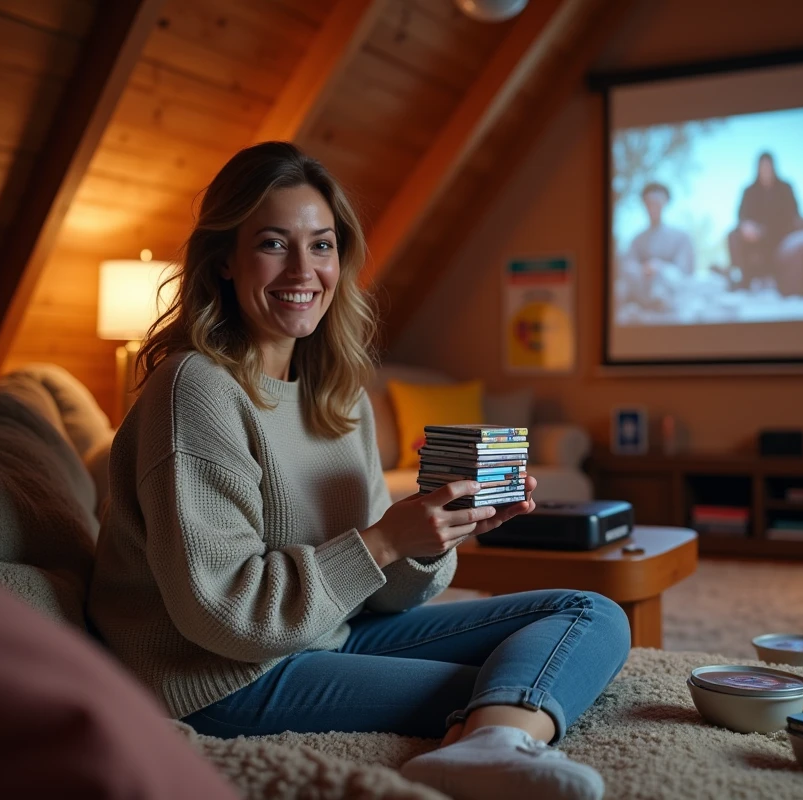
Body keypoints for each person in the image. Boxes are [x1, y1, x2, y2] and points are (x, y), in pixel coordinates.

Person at [87, 141, 631, 800]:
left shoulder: (340, 397)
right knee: (513, 686)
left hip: (328, 634)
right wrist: (381, 541)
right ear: (224, 260)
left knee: (590, 615)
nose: (303, 270)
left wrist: (429, 538)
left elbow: (383, 595)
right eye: (273, 244)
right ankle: (493, 737)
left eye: (321, 245)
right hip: (218, 675)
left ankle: (485, 742)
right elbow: (224, 615)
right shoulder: (196, 388)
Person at [725, 152, 803, 296]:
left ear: (773, 167)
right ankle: (743, 279)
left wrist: (783, 227)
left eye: (768, 167)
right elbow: (741, 216)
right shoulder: (749, 191)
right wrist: (746, 226)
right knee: (733, 235)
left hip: (783, 234)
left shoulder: (785, 188)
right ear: (758, 169)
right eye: (763, 167)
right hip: (758, 242)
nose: (766, 171)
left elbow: (794, 214)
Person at [617, 182, 696, 311]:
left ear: (665, 203)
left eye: (657, 203)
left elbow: (685, 272)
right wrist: (642, 270)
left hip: (673, 299)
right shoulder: (637, 240)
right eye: (649, 203)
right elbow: (628, 266)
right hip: (641, 296)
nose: (653, 208)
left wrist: (659, 267)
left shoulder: (681, 237)